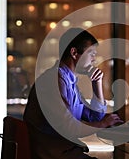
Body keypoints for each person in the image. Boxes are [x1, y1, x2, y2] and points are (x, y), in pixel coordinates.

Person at [23, 28, 123, 159]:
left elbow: (95, 117)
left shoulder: (70, 82)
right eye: (91, 53)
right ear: (74, 53)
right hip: (53, 154)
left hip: (66, 152)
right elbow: (68, 127)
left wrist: (96, 84)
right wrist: (102, 124)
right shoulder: (53, 81)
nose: (94, 59)